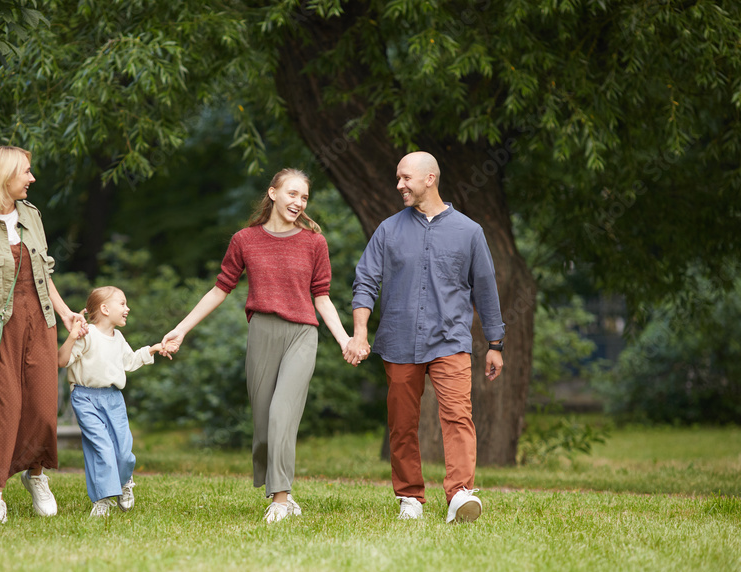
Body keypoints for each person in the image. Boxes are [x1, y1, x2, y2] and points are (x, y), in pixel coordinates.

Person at [161, 168, 355, 524]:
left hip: (302, 334)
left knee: (283, 413)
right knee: (265, 424)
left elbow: (322, 297)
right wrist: (181, 329)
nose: (298, 202)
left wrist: (344, 339)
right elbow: (220, 289)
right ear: (273, 193)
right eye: (292, 194)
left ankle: (279, 500)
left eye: (304, 197)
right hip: (262, 333)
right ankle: (284, 492)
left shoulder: (314, 242)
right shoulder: (245, 240)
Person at [345, 151, 505, 524]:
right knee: (402, 423)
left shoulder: (469, 232)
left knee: (457, 416)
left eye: (405, 178)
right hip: (399, 340)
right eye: (398, 178)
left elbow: (485, 290)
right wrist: (359, 333)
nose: (399, 185)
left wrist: (495, 344)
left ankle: (460, 493)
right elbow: (365, 282)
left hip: (451, 341)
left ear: (430, 178)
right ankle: (410, 497)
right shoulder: (388, 230)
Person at [0, 145, 85, 524]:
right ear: (3, 176)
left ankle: (36, 475)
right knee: (1, 408)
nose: (32, 178)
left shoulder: (31, 215)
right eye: (25, 172)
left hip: (39, 321)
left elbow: (44, 274)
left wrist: (66, 314)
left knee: (42, 406)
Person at [59, 286, 165, 517]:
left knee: (124, 452)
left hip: (113, 399)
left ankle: (125, 481)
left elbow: (130, 361)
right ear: (105, 309)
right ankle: (103, 499)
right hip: (85, 398)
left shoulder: (118, 338)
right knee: (102, 449)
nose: (127, 308)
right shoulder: (87, 335)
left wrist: (153, 349)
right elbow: (62, 360)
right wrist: (72, 336)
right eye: (123, 303)